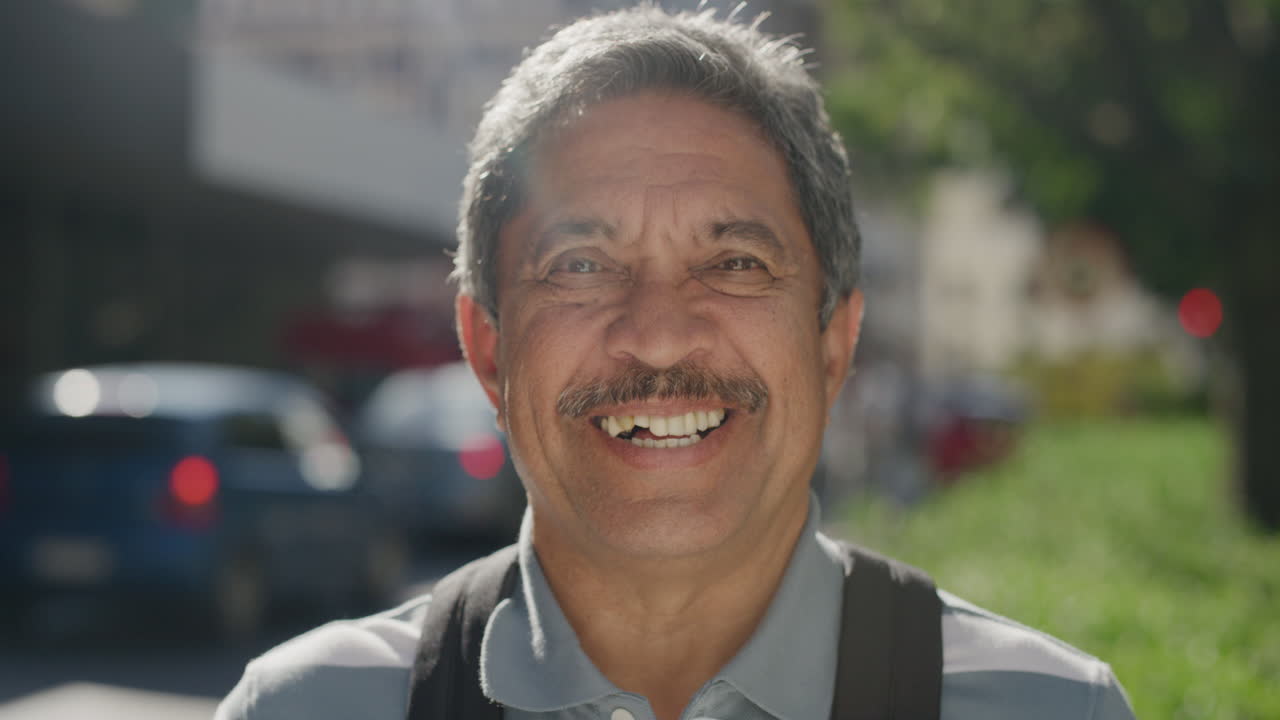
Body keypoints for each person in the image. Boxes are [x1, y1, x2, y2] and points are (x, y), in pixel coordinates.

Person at [216, 6, 1137, 720]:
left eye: (735, 263)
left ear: (833, 342)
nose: (658, 335)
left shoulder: (1052, 707)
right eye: (580, 266)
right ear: (488, 348)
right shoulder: (303, 708)